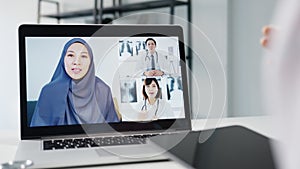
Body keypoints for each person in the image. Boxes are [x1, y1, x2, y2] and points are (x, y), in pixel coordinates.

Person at [30, 38, 120, 127]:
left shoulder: (103, 90)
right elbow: (40, 130)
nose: (77, 62)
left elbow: (112, 128)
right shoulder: (49, 92)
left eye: (83, 56)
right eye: (70, 55)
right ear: (63, 59)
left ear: (91, 62)